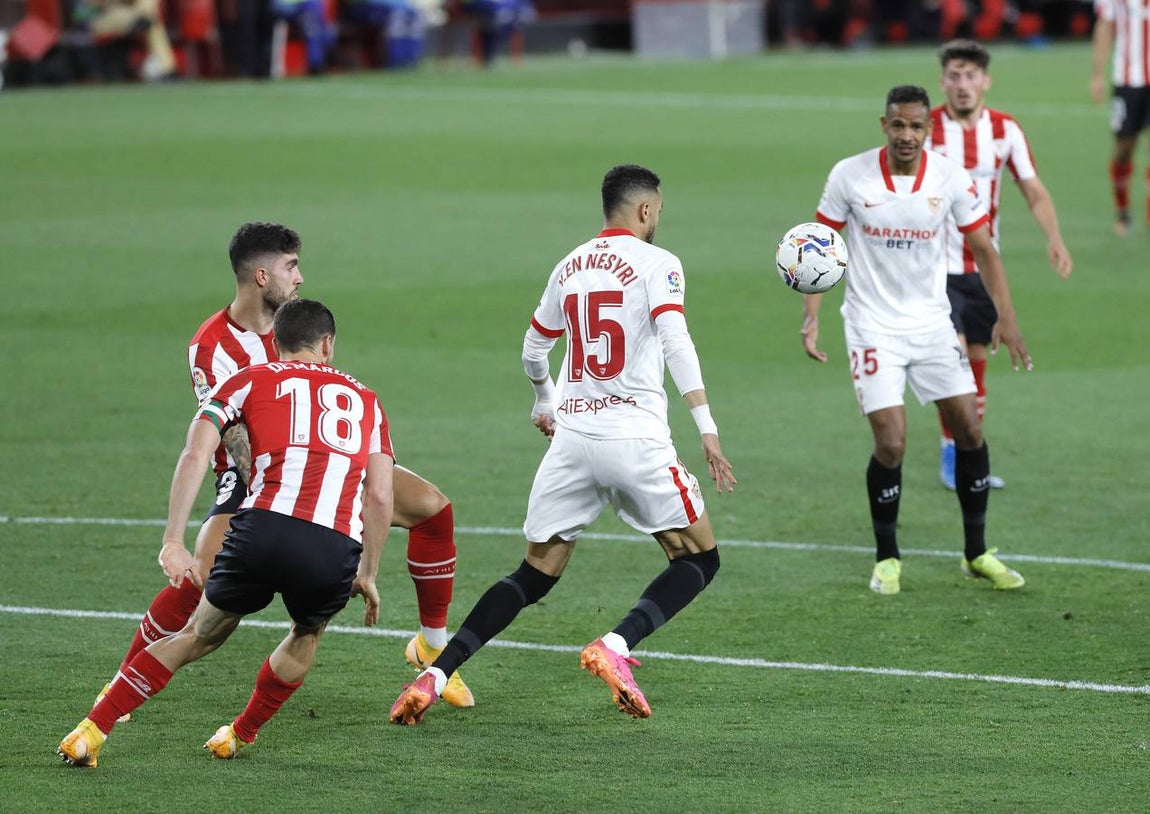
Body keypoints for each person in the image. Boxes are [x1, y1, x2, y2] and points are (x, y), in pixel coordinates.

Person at [389, 164, 736, 725]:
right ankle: (617, 646)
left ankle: (436, 672)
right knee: (699, 557)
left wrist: (545, 401)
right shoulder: (660, 264)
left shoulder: (570, 264)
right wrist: (707, 427)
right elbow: (676, 339)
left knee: (534, 574)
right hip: (635, 442)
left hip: (571, 444)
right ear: (646, 211)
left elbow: (532, 348)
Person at [93, 222, 472, 722]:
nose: (300, 277)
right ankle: (119, 686)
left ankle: (431, 645)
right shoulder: (214, 349)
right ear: (261, 275)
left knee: (433, 509)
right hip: (251, 481)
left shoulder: (295, 325)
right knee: (198, 580)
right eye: (291, 267)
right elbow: (236, 444)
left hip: (320, 469)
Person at [58, 299, 394, 766]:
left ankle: (92, 730)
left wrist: (173, 540)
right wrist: (368, 571)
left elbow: (197, 453)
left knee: (198, 633)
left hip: (261, 528)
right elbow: (379, 495)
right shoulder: (369, 402)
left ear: (275, 344)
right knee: (305, 633)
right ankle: (239, 734)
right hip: (332, 543)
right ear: (328, 344)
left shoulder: (250, 378)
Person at [801, 85, 1030, 596]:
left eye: (916, 126)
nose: (907, 135)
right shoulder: (849, 175)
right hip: (871, 326)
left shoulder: (949, 176)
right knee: (892, 439)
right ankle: (887, 558)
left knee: (969, 428)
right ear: (883, 125)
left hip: (931, 324)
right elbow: (819, 247)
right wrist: (811, 315)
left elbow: (984, 249)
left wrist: (1006, 316)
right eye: (898, 125)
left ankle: (977, 553)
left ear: (929, 129)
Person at [928, 39, 1073, 491]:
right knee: (951, 363)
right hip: (932, 268)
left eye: (971, 75)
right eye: (954, 75)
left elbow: (1032, 188)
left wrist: (1054, 236)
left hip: (983, 268)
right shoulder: (924, 129)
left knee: (976, 362)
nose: (963, 84)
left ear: (985, 81)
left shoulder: (1005, 130)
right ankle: (953, 451)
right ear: (943, 82)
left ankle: (967, 450)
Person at [1091, 0, 1150, 235]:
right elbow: (1105, 24)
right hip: (1127, 80)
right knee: (1124, 148)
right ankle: (1122, 210)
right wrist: (1097, 74)